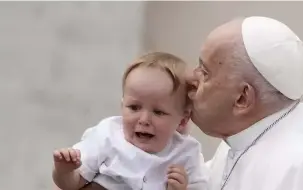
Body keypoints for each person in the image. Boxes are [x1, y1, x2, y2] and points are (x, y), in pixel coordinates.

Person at [186, 16, 303, 190]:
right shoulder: (244, 135)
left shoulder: (302, 168)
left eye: (205, 73)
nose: (191, 78)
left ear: (242, 98)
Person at [52, 52, 208, 190]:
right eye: (134, 107)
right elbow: (71, 185)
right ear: (122, 106)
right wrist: (64, 171)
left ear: (182, 120)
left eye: (158, 112)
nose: (144, 120)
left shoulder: (186, 154)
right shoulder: (108, 135)